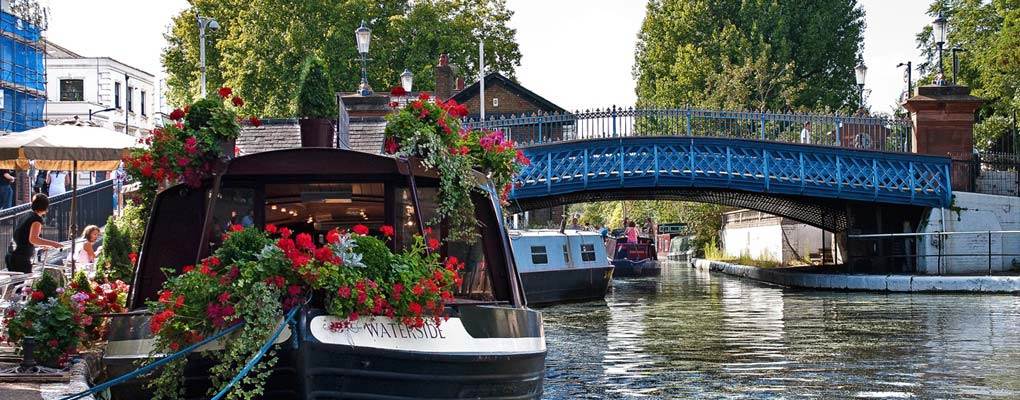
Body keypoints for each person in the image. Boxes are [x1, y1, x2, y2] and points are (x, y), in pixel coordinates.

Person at [8, 194, 63, 273]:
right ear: (45, 207)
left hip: (12, 255)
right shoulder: (36, 220)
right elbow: (33, 239)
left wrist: (43, 245)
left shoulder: (26, 215)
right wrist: (54, 244)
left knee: (18, 284)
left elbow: (24, 237)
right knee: (25, 284)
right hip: (20, 258)